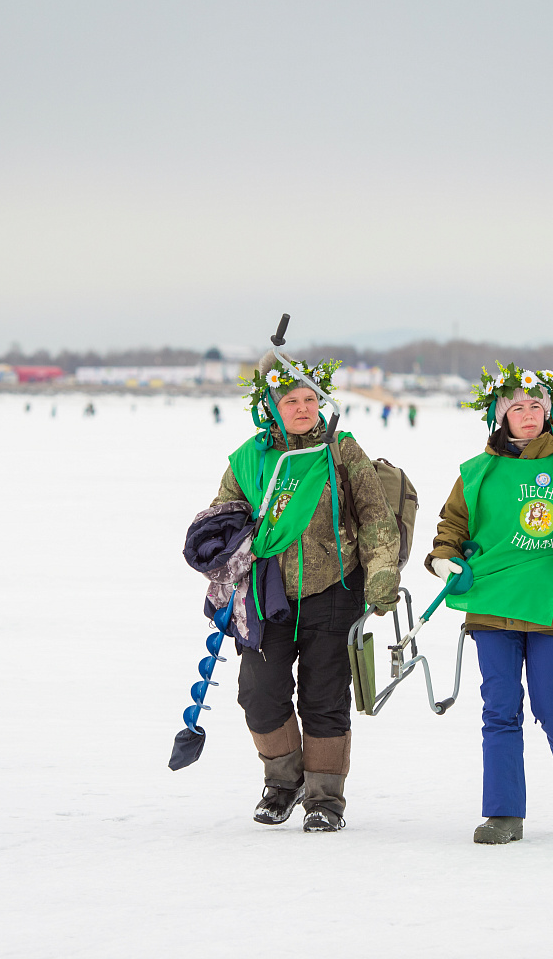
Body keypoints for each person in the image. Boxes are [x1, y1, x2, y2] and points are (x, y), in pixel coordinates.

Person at [426, 365, 553, 845]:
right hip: (493, 602)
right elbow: (451, 527)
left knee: (552, 703)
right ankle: (503, 814)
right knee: (499, 707)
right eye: (517, 406)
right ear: (501, 416)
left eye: (536, 405)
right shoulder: (476, 473)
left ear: (549, 410)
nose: (528, 414)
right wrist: (444, 559)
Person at [210, 351, 400, 833]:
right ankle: (283, 782)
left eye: (310, 398)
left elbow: (376, 519)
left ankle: (324, 798)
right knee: (259, 692)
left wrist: (381, 575)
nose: (302, 408)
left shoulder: (341, 451)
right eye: (290, 399)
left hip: (334, 588)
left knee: (325, 697)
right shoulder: (249, 461)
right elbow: (222, 518)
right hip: (266, 594)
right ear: (269, 406)